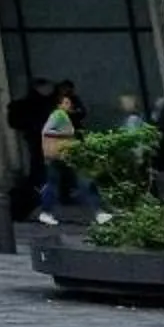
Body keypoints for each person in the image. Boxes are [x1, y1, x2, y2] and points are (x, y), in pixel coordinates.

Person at [36, 87, 95, 224]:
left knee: (54, 184)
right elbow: (46, 131)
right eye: (66, 103)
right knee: (81, 181)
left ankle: (46, 212)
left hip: (61, 156)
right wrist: (66, 136)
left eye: (69, 103)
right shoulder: (59, 115)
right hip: (60, 155)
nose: (70, 105)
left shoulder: (63, 115)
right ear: (59, 105)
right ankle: (98, 212)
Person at [4, 78, 52, 216]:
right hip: (39, 141)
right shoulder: (36, 103)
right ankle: (26, 203)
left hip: (41, 141)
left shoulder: (43, 102)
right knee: (39, 172)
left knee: (40, 171)